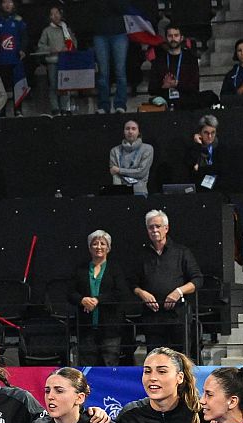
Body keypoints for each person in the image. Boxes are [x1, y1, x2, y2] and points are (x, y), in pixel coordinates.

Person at [131, 209, 202, 354]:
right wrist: (142, 293)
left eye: (158, 226)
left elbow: (197, 279)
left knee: (180, 358)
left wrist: (178, 291)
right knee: (156, 358)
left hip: (178, 316)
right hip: (152, 318)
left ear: (166, 228)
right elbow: (131, 283)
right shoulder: (141, 255)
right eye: (151, 227)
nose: (154, 230)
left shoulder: (182, 252)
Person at [71, 229, 130, 366]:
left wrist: (98, 300)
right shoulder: (80, 269)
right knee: (87, 364)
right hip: (86, 327)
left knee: (109, 363)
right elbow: (70, 293)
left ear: (108, 248)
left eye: (102, 244)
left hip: (110, 327)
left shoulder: (115, 269)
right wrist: (82, 300)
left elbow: (121, 293)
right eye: (95, 244)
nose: (98, 247)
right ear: (89, 248)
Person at [0, 0, 28, 115]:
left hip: (15, 59)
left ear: (14, 4)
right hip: (0, 60)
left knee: (17, 85)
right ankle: (2, 111)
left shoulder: (18, 20)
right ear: (1, 5)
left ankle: (18, 111)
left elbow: (25, 37)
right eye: (4, 2)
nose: (7, 5)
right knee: (0, 87)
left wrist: (23, 49)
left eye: (10, 2)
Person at [34, 5, 75, 115]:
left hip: (65, 61)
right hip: (53, 61)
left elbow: (74, 43)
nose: (55, 16)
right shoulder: (47, 31)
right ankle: (55, 108)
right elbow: (40, 46)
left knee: (66, 85)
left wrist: (68, 48)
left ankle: (65, 107)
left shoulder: (67, 29)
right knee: (53, 84)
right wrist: (50, 49)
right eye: (52, 14)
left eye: (57, 13)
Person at [92, 0, 130, 113]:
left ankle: (120, 104)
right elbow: (95, 8)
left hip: (119, 33)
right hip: (100, 33)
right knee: (103, 72)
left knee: (120, 70)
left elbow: (123, 7)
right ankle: (104, 105)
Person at [149, 25, 199, 111]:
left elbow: (195, 87)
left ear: (181, 38)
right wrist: (163, 86)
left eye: (176, 35)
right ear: (165, 38)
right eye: (170, 36)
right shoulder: (158, 60)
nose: (173, 39)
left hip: (187, 103)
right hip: (164, 103)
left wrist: (177, 84)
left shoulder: (191, 59)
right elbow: (151, 89)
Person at [109, 119, 153, 196]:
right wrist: (118, 192)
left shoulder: (147, 148)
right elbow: (114, 173)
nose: (130, 131)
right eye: (127, 128)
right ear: (123, 131)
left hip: (140, 191)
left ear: (139, 132)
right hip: (120, 191)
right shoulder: (115, 150)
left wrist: (119, 170)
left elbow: (141, 172)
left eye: (133, 128)